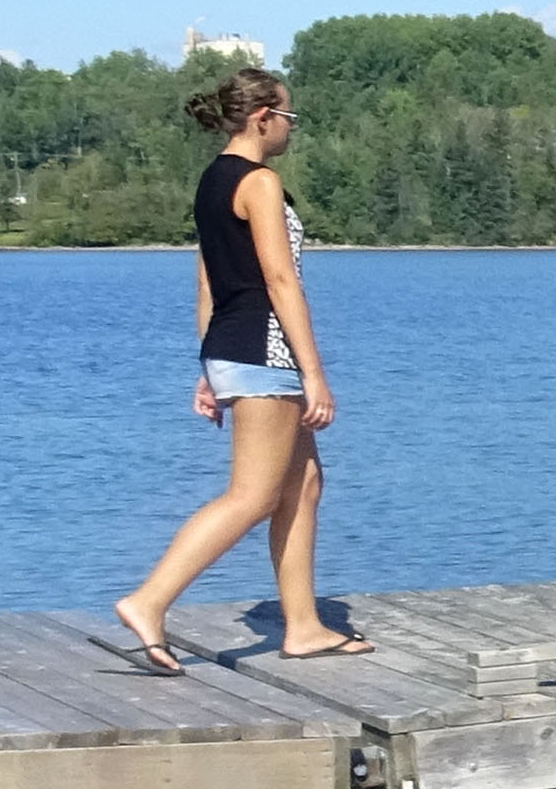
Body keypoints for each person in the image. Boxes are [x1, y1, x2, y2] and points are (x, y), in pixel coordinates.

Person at [110, 69, 366, 669]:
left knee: (303, 483)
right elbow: (280, 280)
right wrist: (314, 374)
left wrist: (210, 366)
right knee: (252, 496)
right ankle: (149, 601)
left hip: (234, 348)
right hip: (266, 352)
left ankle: (303, 626)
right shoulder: (259, 182)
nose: (291, 130)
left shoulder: (212, 181)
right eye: (289, 118)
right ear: (262, 118)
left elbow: (208, 279)